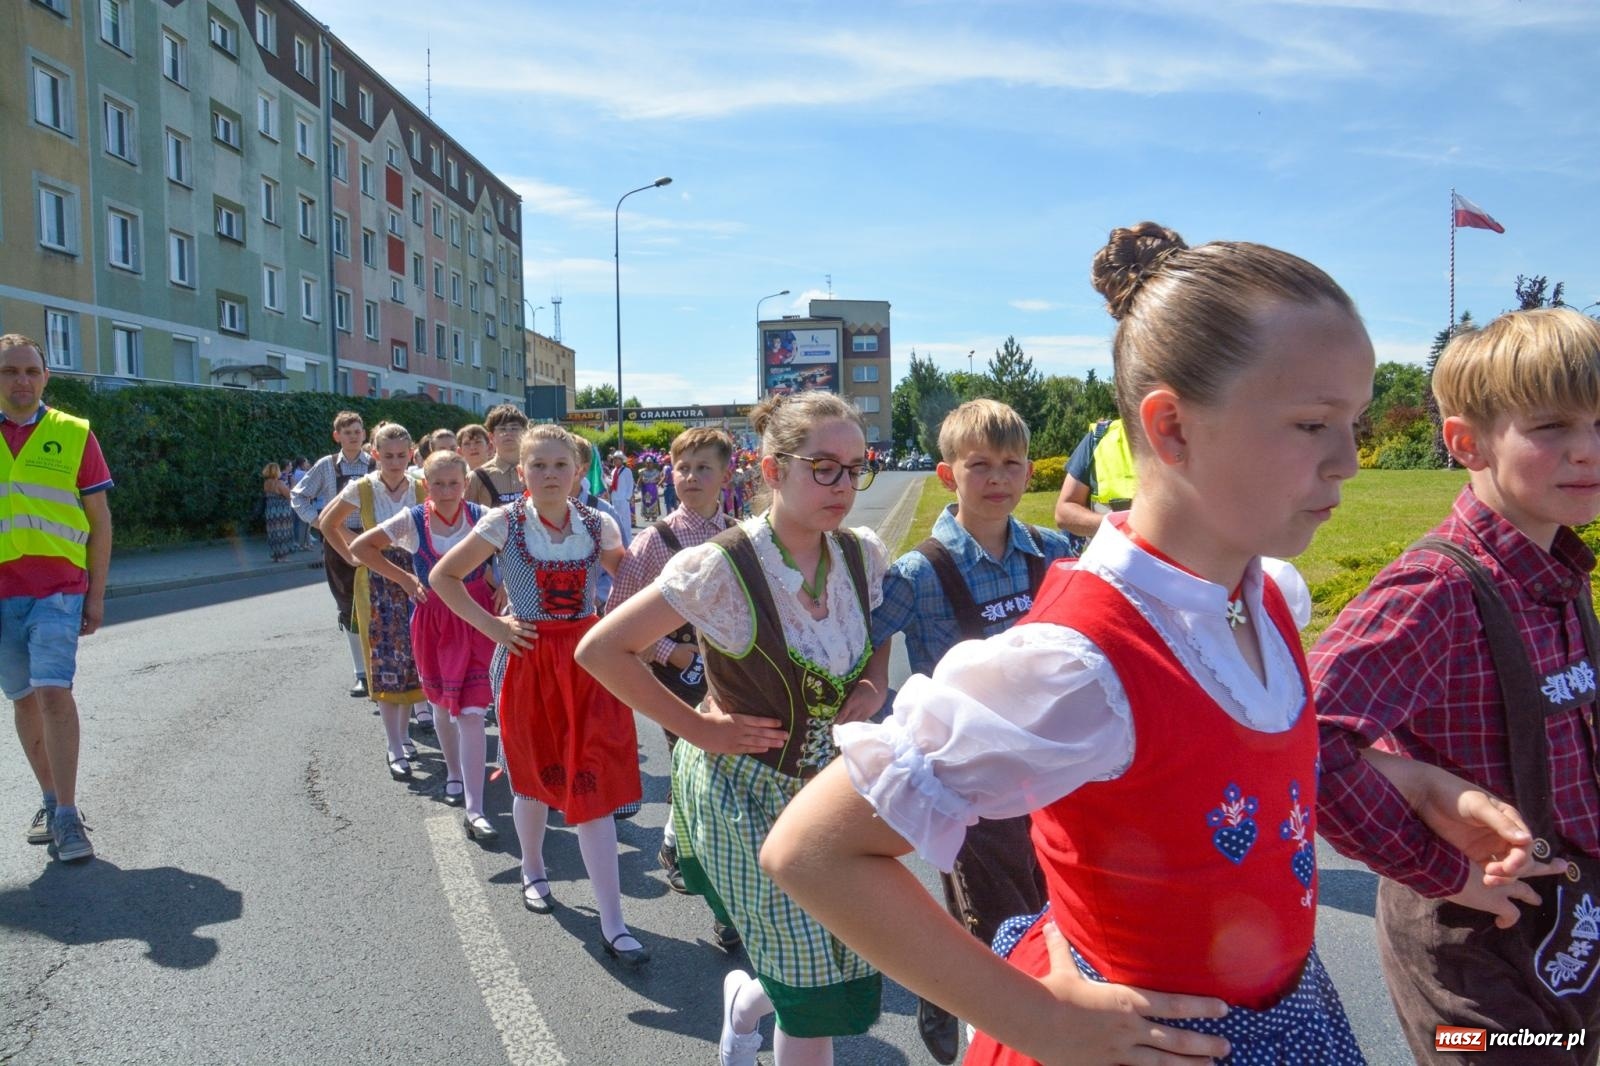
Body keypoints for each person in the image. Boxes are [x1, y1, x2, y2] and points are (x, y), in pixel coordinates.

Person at [757, 222, 1556, 1066]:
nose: (1350, 461)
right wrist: (1038, 1022)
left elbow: (1231, 774)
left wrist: (1421, 785)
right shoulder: (1079, 662)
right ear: (1171, 427)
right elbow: (815, 848)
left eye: (1352, 422)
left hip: (1285, 1010)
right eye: (1313, 424)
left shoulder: (1264, 594)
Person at [1312, 307, 1600, 1064]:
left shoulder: (1561, 572)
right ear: (1467, 442)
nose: (1588, 450)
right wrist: (1441, 868)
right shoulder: (1435, 590)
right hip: (1474, 957)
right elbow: (1300, 739)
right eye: (1552, 426)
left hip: (1570, 926)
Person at [578, 391, 888, 1066]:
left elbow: (879, 631)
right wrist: (700, 729)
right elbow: (600, 650)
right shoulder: (721, 565)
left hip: (827, 789)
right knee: (807, 977)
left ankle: (744, 1003)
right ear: (772, 471)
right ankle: (757, 1003)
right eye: (824, 467)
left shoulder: (861, 555)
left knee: (833, 954)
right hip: (741, 793)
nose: (844, 485)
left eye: (855, 467)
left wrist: (873, 682)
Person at [865, 398, 1078, 1064]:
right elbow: (856, 646)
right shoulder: (919, 572)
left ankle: (1007, 1021)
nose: (998, 479)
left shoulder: (1054, 551)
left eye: (1012, 464)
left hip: (1058, 779)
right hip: (972, 790)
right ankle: (971, 1014)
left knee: (1062, 919)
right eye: (979, 465)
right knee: (998, 932)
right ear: (945, 474)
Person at [430, 425, 647, 965]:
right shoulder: (502, 522)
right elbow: (443, 577)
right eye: (539, 465)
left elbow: (634, 584)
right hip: (528, 660)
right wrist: (495, 628)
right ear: (521, 471)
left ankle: (614, 922)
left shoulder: (600, 524)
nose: (550, 475)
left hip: (587, 661)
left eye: (560, 465)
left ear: (577, 472)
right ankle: (532, 867)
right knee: (530, 780)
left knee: (592, 782)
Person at [603, 429, 735, 914]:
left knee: (725, 764)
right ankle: (690, 856)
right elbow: (615, 616)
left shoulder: (742, 533)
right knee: (690, 759)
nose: (692, 477)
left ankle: (677, 836)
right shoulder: (653, 542)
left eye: (704, 468)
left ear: (726, 474)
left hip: (732, 670)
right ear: (668, 475)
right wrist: (667, 651)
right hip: (678, 672)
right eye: (683, 468)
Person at [1, 334, 112, 864]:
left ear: (46, 377)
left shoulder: (73, 434)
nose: (20, 380)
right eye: (8, 371)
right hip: (2, 595)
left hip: (58, 591)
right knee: (23, 699)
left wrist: (96, 594)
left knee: (52, 694)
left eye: (30, 370)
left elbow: (99, 522)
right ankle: (49, 800)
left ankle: (67, 816)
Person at [351, 449, 499, 837]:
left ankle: (475, 806)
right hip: (433, 620)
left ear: (466, 483)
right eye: (438, 483)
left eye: (454, 483)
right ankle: (453, 771)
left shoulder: (483, 518)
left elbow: (509, 555)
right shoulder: (413, 519)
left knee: (471, 711)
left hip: (475, 615)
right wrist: (402, 578)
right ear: (426, 486)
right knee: (440, 705)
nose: (447, 490)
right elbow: (360, 547)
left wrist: (502, 586)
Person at [320, 422, 428, 778]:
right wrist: (353, 553)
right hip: (378, 581)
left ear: (411, 454)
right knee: (384, 662)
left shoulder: (421, 486)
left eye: (402, 455)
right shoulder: (363, 487)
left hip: (415, 578)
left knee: (414, 659)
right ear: (375, 455)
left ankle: (403, 735)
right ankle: (393, 744)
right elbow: (326, 522)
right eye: (388, 456)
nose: (396, 462)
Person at [291, 411, 375, 697]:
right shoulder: (327, 465)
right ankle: (361, 674)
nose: (353, 436)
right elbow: (298, 495)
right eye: (347, 432)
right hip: (338, 543)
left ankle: (382, 669)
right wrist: (317, 522)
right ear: (336, 436)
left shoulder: (376, 463)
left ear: (365, 434)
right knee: (348, 607)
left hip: (374, 542)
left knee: (381, 606)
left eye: (358, 430)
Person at [1051, 418, 1133, 553]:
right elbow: (1064, 513)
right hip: (1108, 568)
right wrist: (1121, 525)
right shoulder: (1100, 437)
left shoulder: (1179, 440)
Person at [465, 404, 530, 508]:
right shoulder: (477, 477)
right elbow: (468, 518)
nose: (508, 433)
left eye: (514, 428)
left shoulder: (537, 471)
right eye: (502, 429)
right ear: (491, 436)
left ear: (525, 433)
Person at [261, 462, 295, 562]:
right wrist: (292, 484)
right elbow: (289, 495)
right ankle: (282, 556)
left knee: (274, 533)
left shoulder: (266, 483)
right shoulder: (279, 483)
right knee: (283, 532)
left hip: (271, 510)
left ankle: (275, 555)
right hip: (282, 511)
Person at [606, 450, 636, 545]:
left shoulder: (627, 471)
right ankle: (620, 542)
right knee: (617, 520)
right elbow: (612, 483)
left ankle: (628, 542)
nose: (614, 461)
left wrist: (627, 497)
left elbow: (630, 484)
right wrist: (604, 478)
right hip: (615, 498)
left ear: (621, 460)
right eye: (614, 459)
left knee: (625, 521)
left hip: (623, 499)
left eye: (616, 459)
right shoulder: (614, 471)